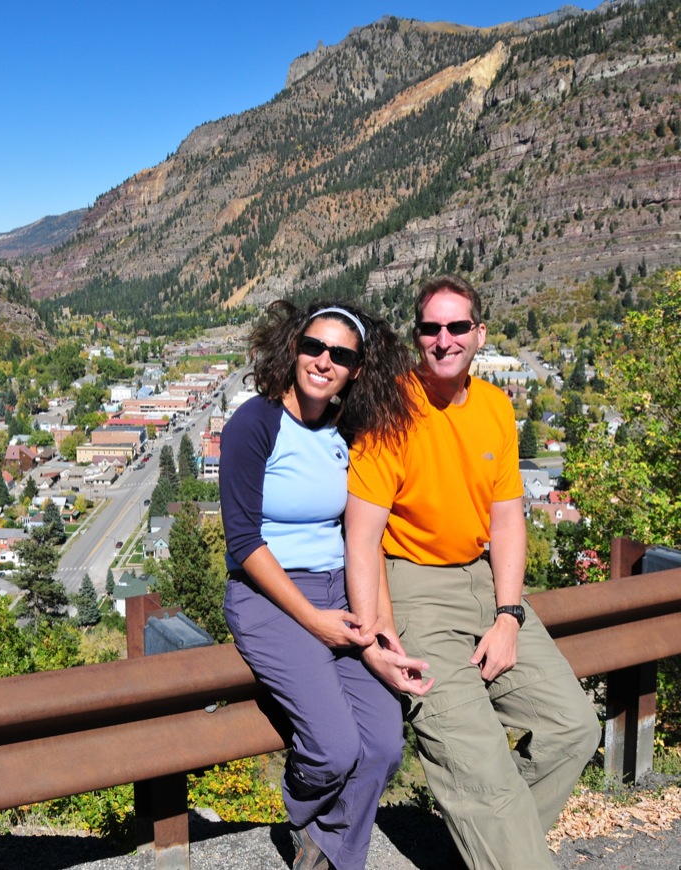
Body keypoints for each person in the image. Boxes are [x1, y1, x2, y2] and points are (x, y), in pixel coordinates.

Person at [345, 274, 601, 870]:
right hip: (413, 588)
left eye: (457, 326)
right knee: (483, 774)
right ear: (417, 336)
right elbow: (362, 536)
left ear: (479, 334)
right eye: (431, 328)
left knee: (572, 728)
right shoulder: (389, 411)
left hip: (485, 584)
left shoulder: (494, 406)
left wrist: (509, 616)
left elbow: (507, 520)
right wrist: (377, 633)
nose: (444, 339)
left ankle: (492, 846)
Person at [221, 300, 432, 870]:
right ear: (294, 348)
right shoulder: (255, 424)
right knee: (335, 751)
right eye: (314, 346)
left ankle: (323, 846)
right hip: (268, 597)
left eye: (340, 354)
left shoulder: (349, 430)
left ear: (357, 369)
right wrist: (313, 621)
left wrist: (381, 626)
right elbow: (243, 540)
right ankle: (317, 830)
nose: (323, 361)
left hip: (341, 591)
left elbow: (366, 535)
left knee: (384, 746)